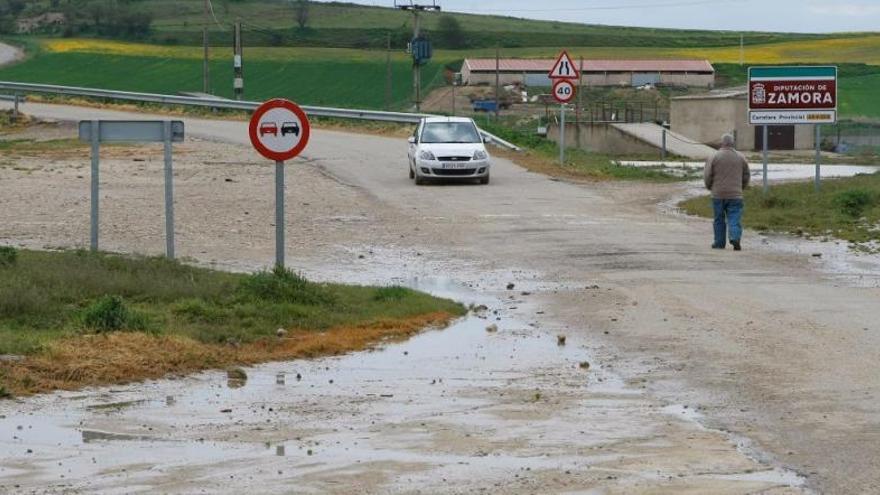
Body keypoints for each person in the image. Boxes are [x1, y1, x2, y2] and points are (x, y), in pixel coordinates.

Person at [703, 133, 750, 251]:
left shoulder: (714, 156)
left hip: (718, 194)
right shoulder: (741, 157)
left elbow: (708, 175)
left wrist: (709, 186)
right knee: (734, 217)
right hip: (735, 195)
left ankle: (719, 242)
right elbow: (746, 175)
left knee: (719, 219)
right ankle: (735, 237)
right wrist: (741, 187)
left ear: (722, 143)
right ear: (733, 143)